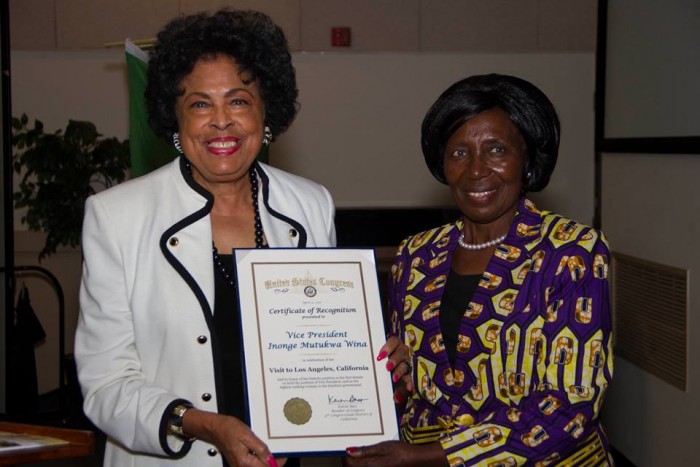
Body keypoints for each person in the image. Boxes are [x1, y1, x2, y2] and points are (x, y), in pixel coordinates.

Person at [74, 9, 347, 467]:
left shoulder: (310, 204)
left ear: (266, 113)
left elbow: (324, 335)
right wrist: (204, 424)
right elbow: (105, 386)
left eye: (239, 101)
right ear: (175, 121)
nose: (221, 121)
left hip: (282, 456)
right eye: (200, 104)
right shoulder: (116, 216)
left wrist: (369, 358)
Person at [345, 74, 614, 466]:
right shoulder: (415, 255)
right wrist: (385, 382)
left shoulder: (572, 252)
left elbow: (569, 407)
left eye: (496, 150)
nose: (475, 170)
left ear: (526, 159)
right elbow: (408, 385)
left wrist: (429, 457)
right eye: (459, 153)